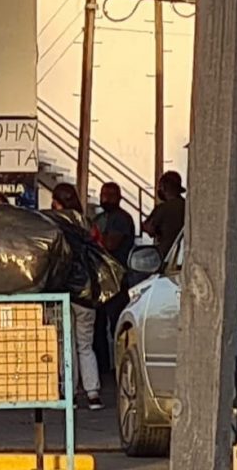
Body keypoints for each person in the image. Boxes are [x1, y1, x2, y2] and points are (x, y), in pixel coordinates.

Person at [50, 183, 103, 411]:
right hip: (87, 292)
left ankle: (69, 393)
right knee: (85, 345)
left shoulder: (53, 224)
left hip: (61, 290)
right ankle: (93, 393)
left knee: (66, 345)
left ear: (56, 202)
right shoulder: (87, 223)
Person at [93, 182, 135, 373]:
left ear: (119, 197)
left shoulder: (122, 219)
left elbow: (111, 244)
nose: (106, 198)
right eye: (103, 194)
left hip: (118, 277)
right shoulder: (99, 218)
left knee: (117, 324)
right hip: (99, 277)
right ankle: (102, 367)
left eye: (110, 194)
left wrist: (95, 237)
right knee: (98, 325)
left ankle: (120, 366)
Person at [143, 170, 187, 258]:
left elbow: (149, 228)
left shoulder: (163, 208)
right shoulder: (187, 206)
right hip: (183, 254)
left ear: (164, 187)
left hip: (164, 254)